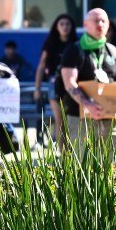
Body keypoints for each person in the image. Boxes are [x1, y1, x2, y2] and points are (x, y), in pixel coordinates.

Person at [58, 8, 116, 151]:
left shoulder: (114, 52)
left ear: (108, 25)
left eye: (103, 21)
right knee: (81, 165)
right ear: (86, 24)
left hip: (110, 117)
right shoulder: (74, 50)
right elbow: (69, 84)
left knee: (115, 164)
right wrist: (89, 105)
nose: (100, 24)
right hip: (81, 118)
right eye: (96, 20)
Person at [33, 13, 77, 148]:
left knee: (72, 120)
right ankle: (62, 152)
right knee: (60, 120)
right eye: (61, 24)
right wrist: (37, 88)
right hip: (55, 85)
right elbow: (41, 66)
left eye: (67, 24)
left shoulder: (76, 44)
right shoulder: (51, 44)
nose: (65, 27)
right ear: (56, 27)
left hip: (73, 85)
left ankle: (73, 150)